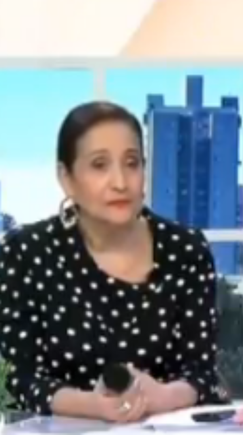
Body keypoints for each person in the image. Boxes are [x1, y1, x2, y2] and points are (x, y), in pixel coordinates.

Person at [0, 101, 225, 422]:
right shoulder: (26, 253)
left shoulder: (186, 251)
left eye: (132, 163)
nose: (120, 182)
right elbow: (16, 378)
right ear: (66, 177)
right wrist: (94, 405)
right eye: (99, 165)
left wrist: (161, 396)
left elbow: (201, 374)